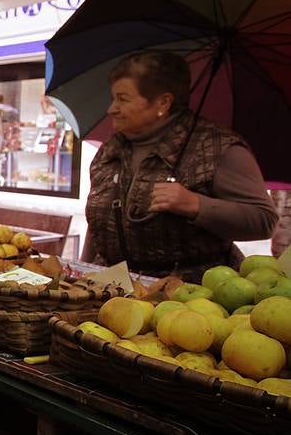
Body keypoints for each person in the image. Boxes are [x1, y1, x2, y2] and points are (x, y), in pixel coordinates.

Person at [83, 50, 276, 278]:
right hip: (114, 287)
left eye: (123, 99)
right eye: (113, 98)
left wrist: (195, 204)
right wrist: (83, 270)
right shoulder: (111, 149)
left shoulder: (217, 148)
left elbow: (264, 220)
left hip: (190, 296)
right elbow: (100, 224)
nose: (111, 109)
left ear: (163, 102)